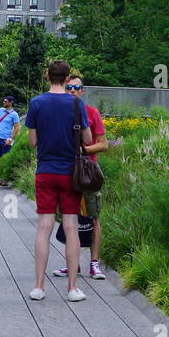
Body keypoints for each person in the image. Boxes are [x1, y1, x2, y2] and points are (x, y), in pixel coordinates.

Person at [26, 59, 92, 303]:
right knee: (71, 227)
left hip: (45, 170)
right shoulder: (77, 103)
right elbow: (87, 137)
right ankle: (73, 288)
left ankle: (39, 287)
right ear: (67, 79)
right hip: (70, 172)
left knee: (44, 227)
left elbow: (32, 142)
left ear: (47, 77)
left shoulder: (36, 103)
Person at [52, 70, 109, 280]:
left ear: (83, 91)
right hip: (63, 172)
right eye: (69, 87)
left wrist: (82, 151)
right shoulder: (57, 112)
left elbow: (103, 145)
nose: (73, 91)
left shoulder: (92, 113)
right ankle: (72, 263)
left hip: (86, 173)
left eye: (77, 88)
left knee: (93, 217)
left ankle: (94, 263)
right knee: (69, 218)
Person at [0, 95, 20, 168]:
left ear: (11, 103)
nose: (3, 102)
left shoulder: (14, 114)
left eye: (5, 101)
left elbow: (17, 128)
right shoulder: (1, 110)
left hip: (6, 139)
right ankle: (1, 176)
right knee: (0, 158)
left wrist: (10, 139)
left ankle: (4, 177)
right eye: (3, 101)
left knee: (5, 159)